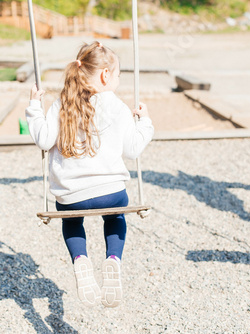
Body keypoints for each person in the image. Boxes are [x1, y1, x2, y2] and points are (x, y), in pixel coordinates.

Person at [25, 41, 154, 308]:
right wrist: (145, 122)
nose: (117, 80)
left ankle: (81, 260)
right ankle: (113, 260)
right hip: (112, 193)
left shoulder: (62, 102)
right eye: (118, 75)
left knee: (72, 220)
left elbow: (43, 139)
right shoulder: (117, 106)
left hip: (72, 196)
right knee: (116, 215)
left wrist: (34, 109)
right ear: (106, 75)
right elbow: (133, 149)